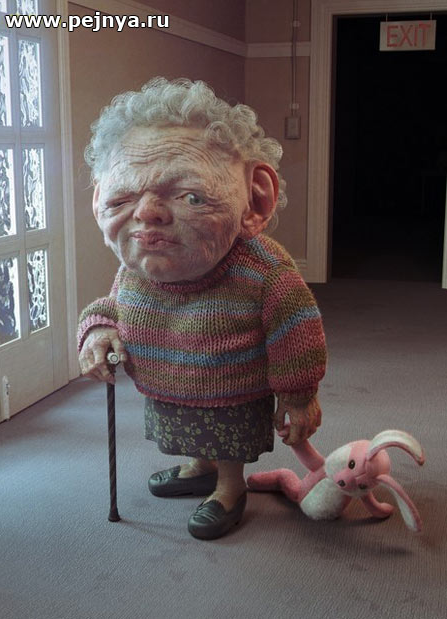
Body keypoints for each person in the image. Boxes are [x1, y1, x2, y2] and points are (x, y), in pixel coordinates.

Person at [77, 77, 327, 540]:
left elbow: (296, 330)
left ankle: (229, 487)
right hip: (168, 384)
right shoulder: (138, 268)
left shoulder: (264, 271)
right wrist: (97, 329)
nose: (147, 214)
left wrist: (298, 394)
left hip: (234, 391)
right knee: (188, 431)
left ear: (255, 200)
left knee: (225, 438)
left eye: (190, 196)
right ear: (99, 201)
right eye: (123, 198)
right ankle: (199, 467)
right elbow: (113, 306)